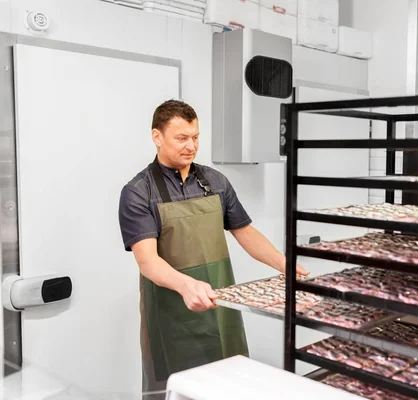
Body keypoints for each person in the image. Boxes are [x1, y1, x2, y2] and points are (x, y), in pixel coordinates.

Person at [118, 99, 308, 392]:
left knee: (229, 385)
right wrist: (186, 286)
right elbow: (148, 262)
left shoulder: (215, 181)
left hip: (221, 306)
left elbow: (245, 232)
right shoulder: (138, 192)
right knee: (179, 389)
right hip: (173, 312)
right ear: (157, 137)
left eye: (195, 137)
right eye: (181, 138)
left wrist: (283, 264)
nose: (191, 146)